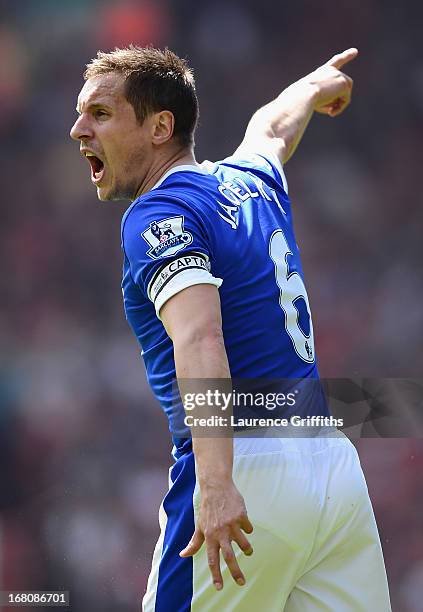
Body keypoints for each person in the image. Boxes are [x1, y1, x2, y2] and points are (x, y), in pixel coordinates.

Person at [70, 45, 391, 611]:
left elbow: (200, 337)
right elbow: (271, 127)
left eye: (100, 114)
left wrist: (215, 486)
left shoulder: (159, 214)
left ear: (159, 127)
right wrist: (314, 88)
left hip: (244, 470)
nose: (78, 130)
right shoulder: (250, 180)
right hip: (332, 468)